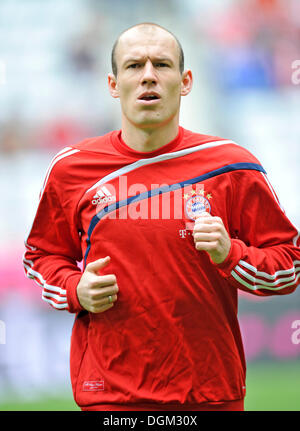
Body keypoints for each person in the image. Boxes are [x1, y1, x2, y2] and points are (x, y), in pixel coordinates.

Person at [23, 22, 300, 411]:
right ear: (113, 84)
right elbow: (40, 258)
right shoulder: (71, 169)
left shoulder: (232, 166)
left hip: (209, 394)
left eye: (162, 65)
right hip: (110, 397)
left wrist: (231, 254)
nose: (149, 75)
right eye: (134, 66)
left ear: (185, 81)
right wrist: (75, 289)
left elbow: (290, 264)